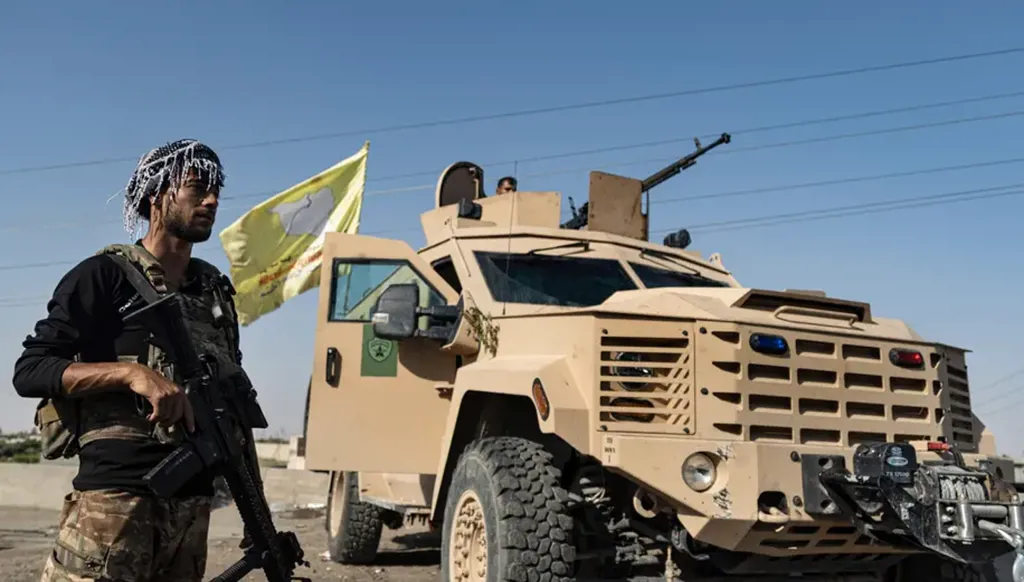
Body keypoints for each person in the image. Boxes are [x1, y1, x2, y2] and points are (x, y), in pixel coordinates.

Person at [12, 138, 253, 582]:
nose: (212, 200)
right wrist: (131, 374)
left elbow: (234, 403)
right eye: (197, 188)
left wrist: (256, 512)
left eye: (216, 190)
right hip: (115, 505)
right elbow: (31, 371)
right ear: (156, 194)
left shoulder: (214, 291)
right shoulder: (104, 275)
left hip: (191, 509)